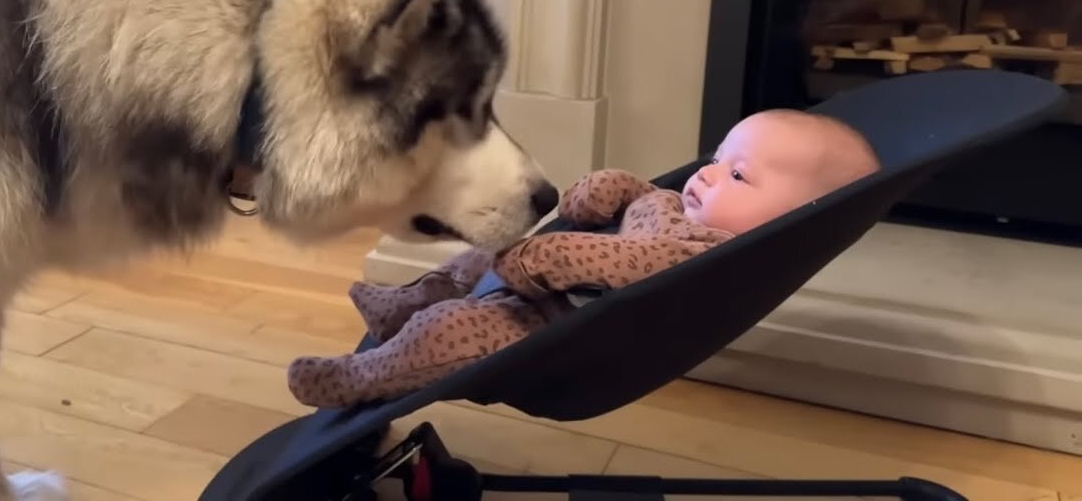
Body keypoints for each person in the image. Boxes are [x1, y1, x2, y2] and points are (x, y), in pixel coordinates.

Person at [286, 109, 882, 408]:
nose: (707, 173)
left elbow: (622, 265)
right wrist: (612, 187)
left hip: (547, 326)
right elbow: (632, 197)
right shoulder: (681, 208)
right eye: (717, 154)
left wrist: (544, 256)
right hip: (530, 282)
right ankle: (407, 300)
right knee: (473, 259)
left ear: (792, 216)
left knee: (449, 329)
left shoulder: (703, 252)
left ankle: (361, 378)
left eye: (738, 174)